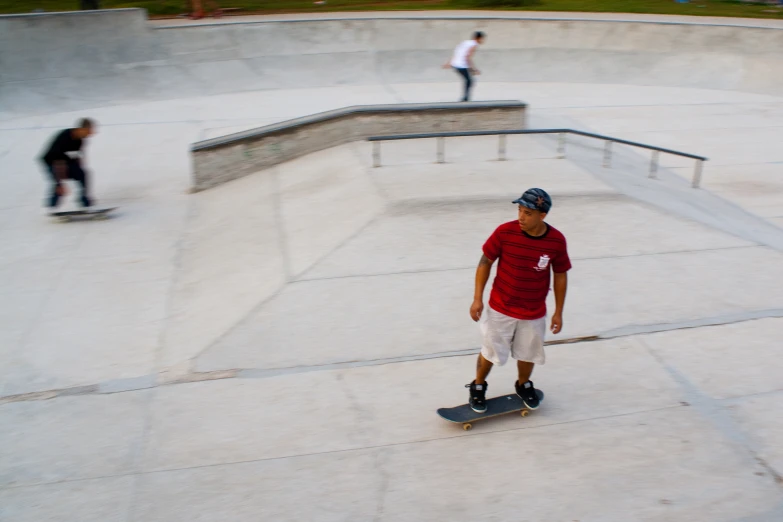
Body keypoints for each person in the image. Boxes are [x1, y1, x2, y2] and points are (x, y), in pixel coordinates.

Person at [466, 188, 571, 413]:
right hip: (501, 308)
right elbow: (485, 262)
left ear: (542, 215)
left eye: (528, 213)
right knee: (490, 351)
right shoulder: (505, 232)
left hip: (533, 311)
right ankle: (477, 386)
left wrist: (558, 311)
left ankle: (523, 385)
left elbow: (560, 274)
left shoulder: (556, 241)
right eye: (519, 210)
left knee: (528, 353)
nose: (521, 217)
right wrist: (477, 299)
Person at [40, 118, 97, 210]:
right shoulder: (65, 137)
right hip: (51, 162)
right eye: (89, 131)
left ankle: (85, 203)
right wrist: (59, 183)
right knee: (58, 186)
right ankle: (51, 208)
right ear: (81, 129)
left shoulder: (80, 140)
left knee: (82, 174)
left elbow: (76, 157)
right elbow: (57, 161)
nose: (90, 134)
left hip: (64, 162)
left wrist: (78, 168)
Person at [442, 31, 485, 102]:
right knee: (469, 81)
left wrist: (449, 63)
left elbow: (457, 52)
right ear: (478, 38)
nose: (482, 41)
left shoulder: (465, 42)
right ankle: (465, 99)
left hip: (456, 64)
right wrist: (473, 69)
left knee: (468, 80)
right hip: (461, 65)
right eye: (482, 39)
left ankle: (465, 98)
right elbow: (467, 57)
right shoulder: (474, 45)